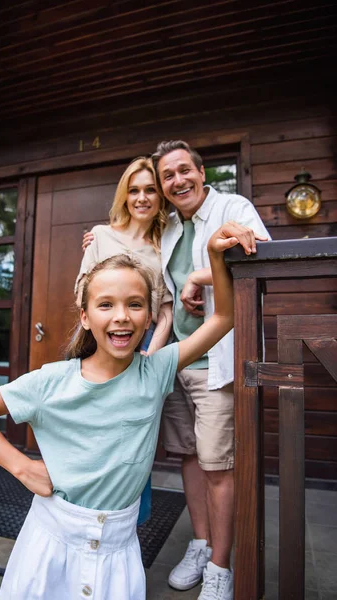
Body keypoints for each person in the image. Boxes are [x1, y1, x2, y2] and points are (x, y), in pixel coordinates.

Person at [0, 221, 264, 600]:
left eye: (135, 304)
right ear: (85, 317)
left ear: (149, 317)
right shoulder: (50, 381)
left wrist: (215, 256)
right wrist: (23, 466)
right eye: (105, 305)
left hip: (119, 549)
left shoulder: (156, 370)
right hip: (50, 543)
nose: (121, 316)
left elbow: (223, 319)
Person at [151, 140, 270, 600]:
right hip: (176, 361)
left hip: (216, 362)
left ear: (203, 172)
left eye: (185, 170)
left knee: (219, 464)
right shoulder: (166, 230)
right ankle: (200, 545)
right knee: (188, 455)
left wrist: (201, 276)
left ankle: (222, 565)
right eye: (168, 176)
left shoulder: (231, 206)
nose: (178, 181)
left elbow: (260, 253)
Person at [76, 156, 173, 526]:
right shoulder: (101, 236)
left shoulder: (165, 245)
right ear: (124, 195)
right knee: (97, 431)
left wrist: (150, 353)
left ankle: (129, 526)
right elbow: (82, 291)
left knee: (135, 436)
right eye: (134, 190)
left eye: (150, 190)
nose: (142, 198)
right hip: (101, 342)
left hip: (144, 343)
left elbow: (164, 310)